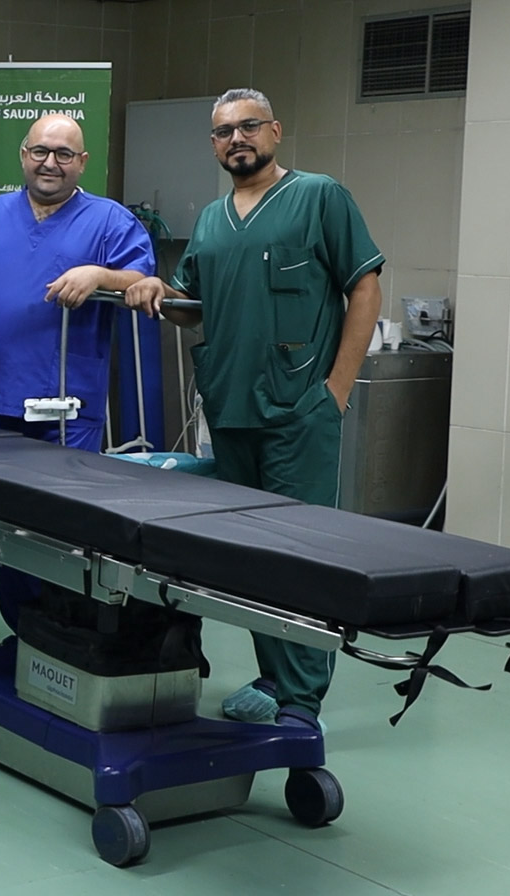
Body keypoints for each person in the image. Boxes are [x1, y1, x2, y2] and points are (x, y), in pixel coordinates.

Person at [126, 87, 383, 733]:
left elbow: (365, 286)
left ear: (275, 130)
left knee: (300, 554)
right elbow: (194, 306)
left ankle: (301, 703)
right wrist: (154, 287)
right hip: (232, 408)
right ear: (212, 145)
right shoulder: (212, 220)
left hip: (300, 410)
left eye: (247, 127)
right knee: (249, 555)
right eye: (222, 132)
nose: (235, 139)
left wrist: (337, 389)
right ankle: (272, 676)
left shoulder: (319, 196)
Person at [0, 112, 155, 631]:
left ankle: (66, 637)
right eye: (40, 151)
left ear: (82, 163)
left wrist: (98, 273)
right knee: (2, 527)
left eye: (63, 154)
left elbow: (142, 281)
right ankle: (23, 634)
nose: (50, 163)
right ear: (23, 154)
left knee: (62, 527)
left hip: (66, 404)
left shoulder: (108, 221)